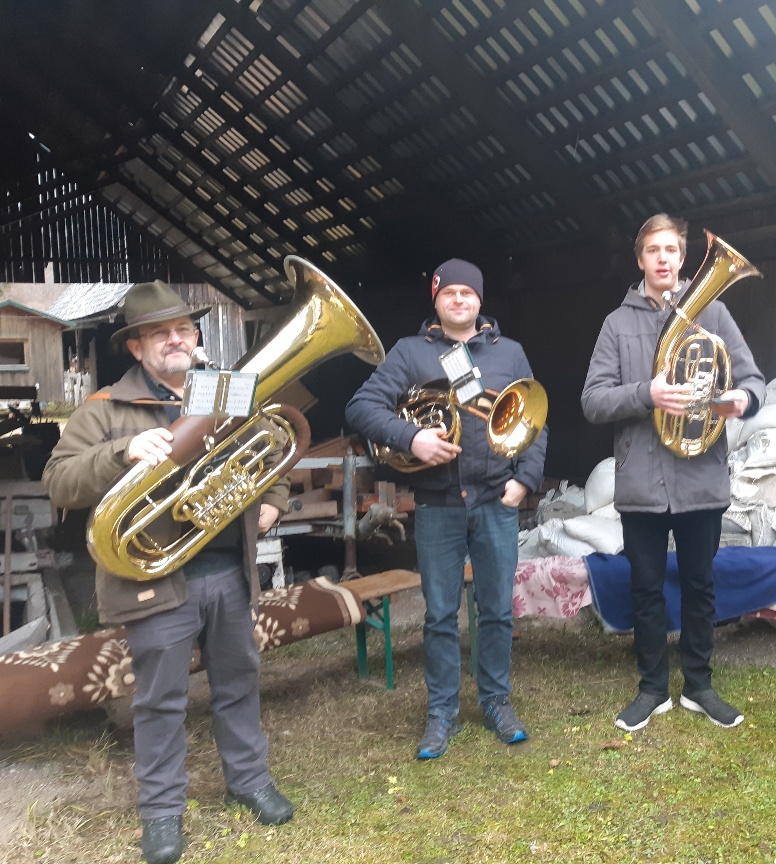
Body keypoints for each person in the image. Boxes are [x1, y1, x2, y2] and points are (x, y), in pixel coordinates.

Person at [42, 281, 294, 864]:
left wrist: (275, 498)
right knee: (160, 701)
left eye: (183, 329)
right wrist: (123, 452)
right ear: (136, 347)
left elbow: (271, 442)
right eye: (159, 334)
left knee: (239, 682)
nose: (175, 340)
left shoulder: (227, 390)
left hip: (230, 571)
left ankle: (250, 781)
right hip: (153, 580)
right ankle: (160, 811)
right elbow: (58, 481)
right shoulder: (106, 408)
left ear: (196, 335)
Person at [345, 258, 547, 760]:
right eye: (449, 292)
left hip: (496, 501)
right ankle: (441, 713)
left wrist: (524, 481)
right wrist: (411, 437)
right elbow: (360, 407)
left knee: (496, 611)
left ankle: (496, 702)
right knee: (439, 615)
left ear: (480, 300)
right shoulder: (410, 352)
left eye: (467, 293)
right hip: (438, 504)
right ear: (435, 299)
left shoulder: (510, 352)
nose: (459, 300)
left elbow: (534, 423)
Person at [581, 214, 766, 732]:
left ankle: (699, 686)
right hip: (642, 480)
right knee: (645, 586)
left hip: (700, 475)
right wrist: (648, 394)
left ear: (683, 258)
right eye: (653, 250)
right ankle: (652, 689)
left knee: (700, 584)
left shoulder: (714, 310)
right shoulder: (616, 324)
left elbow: (755, 380)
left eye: (671, 250)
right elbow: (593, 400)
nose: (663, 258)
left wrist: (741, 399)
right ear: (640, 259)